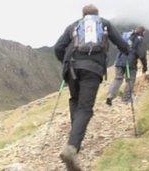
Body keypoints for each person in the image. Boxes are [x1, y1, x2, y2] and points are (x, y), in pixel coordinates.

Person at [54, 4, 129, 170]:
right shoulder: (104, 24)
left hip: (72, 69)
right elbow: (122, 44)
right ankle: (72, 147)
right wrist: (127, 50)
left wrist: (65, 62)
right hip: (92, 69)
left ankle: (75, 142)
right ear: (97, 14)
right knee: (85, 108)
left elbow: (58, 48)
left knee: (75, 100)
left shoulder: (74, 26)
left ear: (83, 15)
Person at [106, 27, 148, 106]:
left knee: (118, 79)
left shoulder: (126, 35)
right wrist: (144, 67)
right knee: (130, 80)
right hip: (130, 63)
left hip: (119, 61)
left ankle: (110, 95)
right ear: (143, 32)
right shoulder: (139, 40)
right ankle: (126, 99)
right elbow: (142, 55)